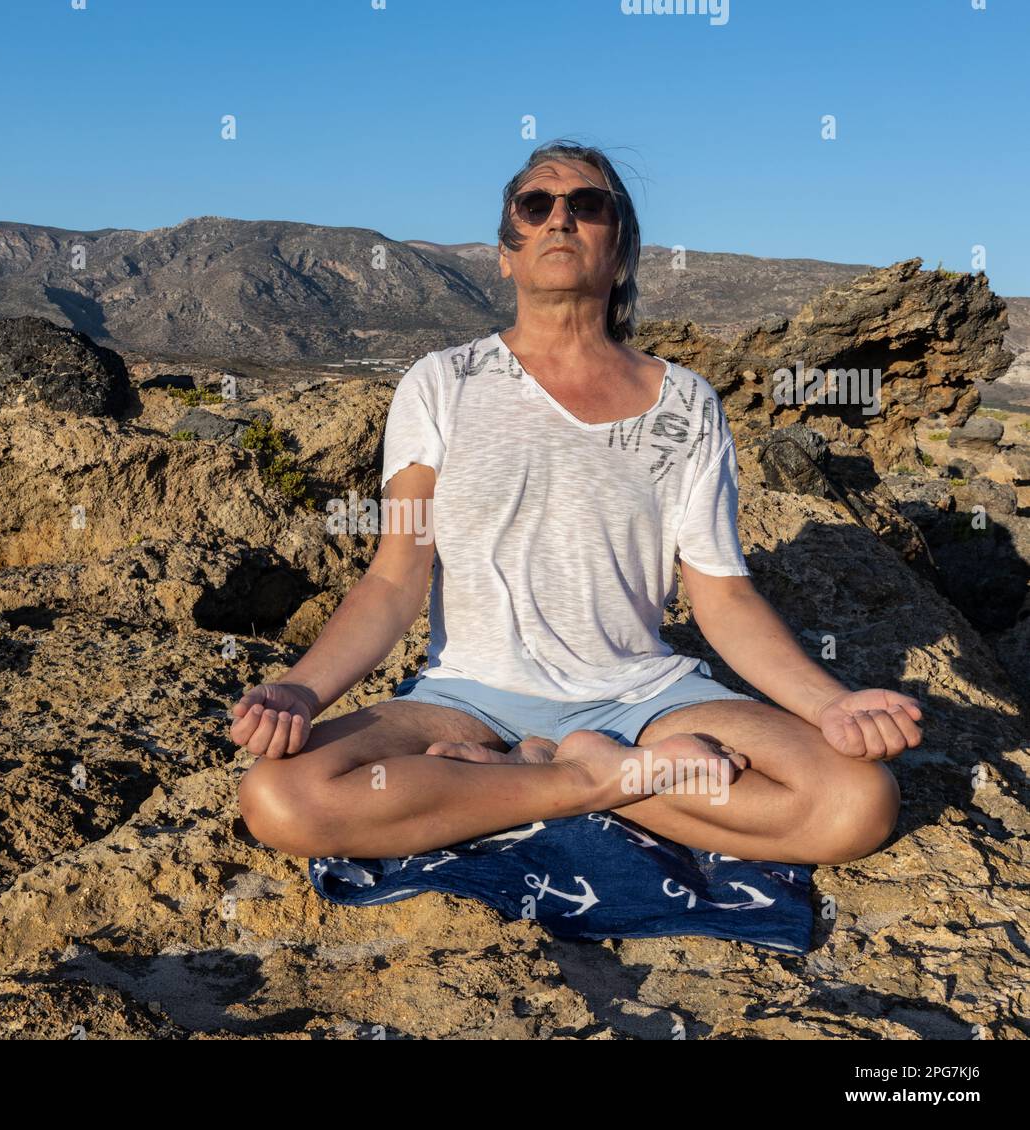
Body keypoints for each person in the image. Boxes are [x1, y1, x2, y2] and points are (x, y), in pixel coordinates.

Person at [234, 139, 920, 866]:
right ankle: (591, 781)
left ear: (619, 248)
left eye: (586, 205)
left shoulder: (685, 402)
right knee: (283, 798)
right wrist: (301, 692)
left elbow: (722, 599)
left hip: (645, 698)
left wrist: (829, 705)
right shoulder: (441, 383)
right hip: (472, 699)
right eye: (536, 206)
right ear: (508, 252)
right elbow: (394, 577)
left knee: (856, 803)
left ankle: (535, 779)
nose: (560, 218)